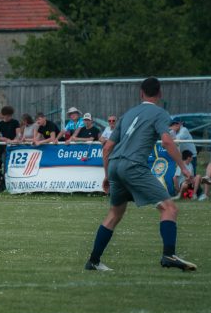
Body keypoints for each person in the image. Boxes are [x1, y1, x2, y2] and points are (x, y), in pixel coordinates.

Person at [84, 77, 196, 272]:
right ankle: (169, 255)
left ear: (141, 93)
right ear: (160, 93)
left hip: (115, 165)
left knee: (115, 213)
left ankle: (93, 261)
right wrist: (184, 168)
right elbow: (167, 141)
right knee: (169, 208)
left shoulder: (128, 114)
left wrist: (107, 176)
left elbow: (107, 147)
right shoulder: (160, 113)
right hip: (133, 166)